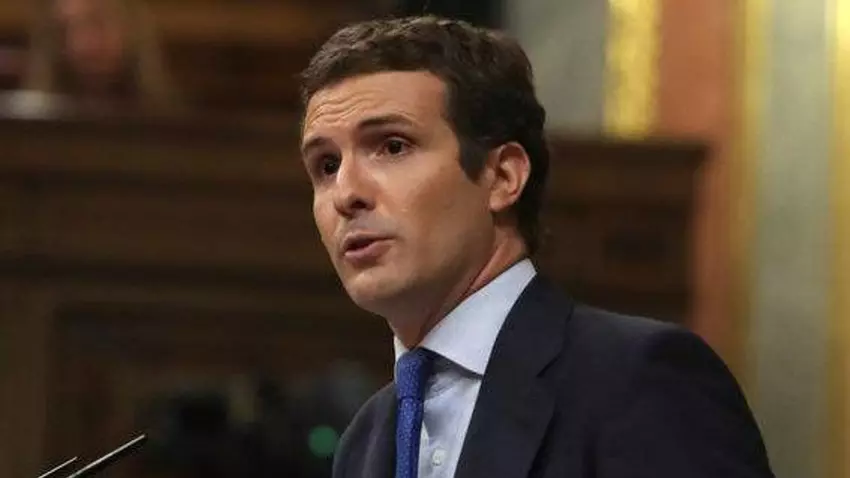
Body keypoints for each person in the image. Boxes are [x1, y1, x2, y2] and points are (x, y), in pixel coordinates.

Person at [298, 15, 774, 478]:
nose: (346, 193)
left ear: (503, 177)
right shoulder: (365, 439)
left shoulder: (639, 378)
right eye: (326, 165)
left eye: (393, 146)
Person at [24, 0, 179, 111]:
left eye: (97, 23)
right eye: (64, 30)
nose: (79, 45)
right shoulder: (30, 127)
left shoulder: (172, 130)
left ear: (132, 27)